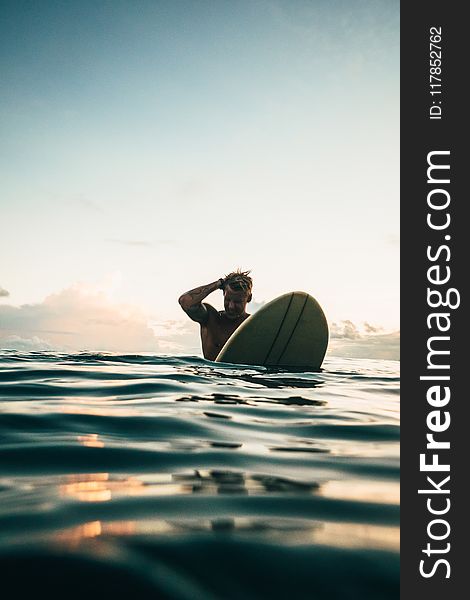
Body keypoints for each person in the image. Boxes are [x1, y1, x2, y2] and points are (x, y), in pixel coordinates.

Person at [178, 270, 253, 361]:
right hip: (212, 373)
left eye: (237, 302)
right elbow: (185, 301)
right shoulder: (210, 318)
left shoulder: (253, 324)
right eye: (228, 300)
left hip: (243, 373)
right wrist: (219, 284)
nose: (231, 306)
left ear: (249, 298)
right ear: (223, 294)